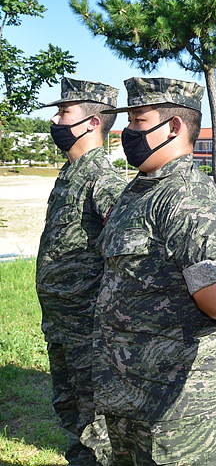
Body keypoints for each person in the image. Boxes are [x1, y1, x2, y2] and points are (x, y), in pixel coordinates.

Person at [96, 77, 216, 465]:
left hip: (174, 402)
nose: (127, 132)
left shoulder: (188, 197)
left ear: (175, 127)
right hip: (126, 387)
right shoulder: (139, 189)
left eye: (138, 122)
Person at [36, 78, 125, 466]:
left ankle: (99, 457)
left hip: (87, 322)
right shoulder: (69, 173)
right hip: (62, 318)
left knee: (95, 407)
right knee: (69, 397)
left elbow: (124, 250)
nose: (56, 120)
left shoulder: (100, 179)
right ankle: (83, 451)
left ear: (92, 123)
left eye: (64, 112)